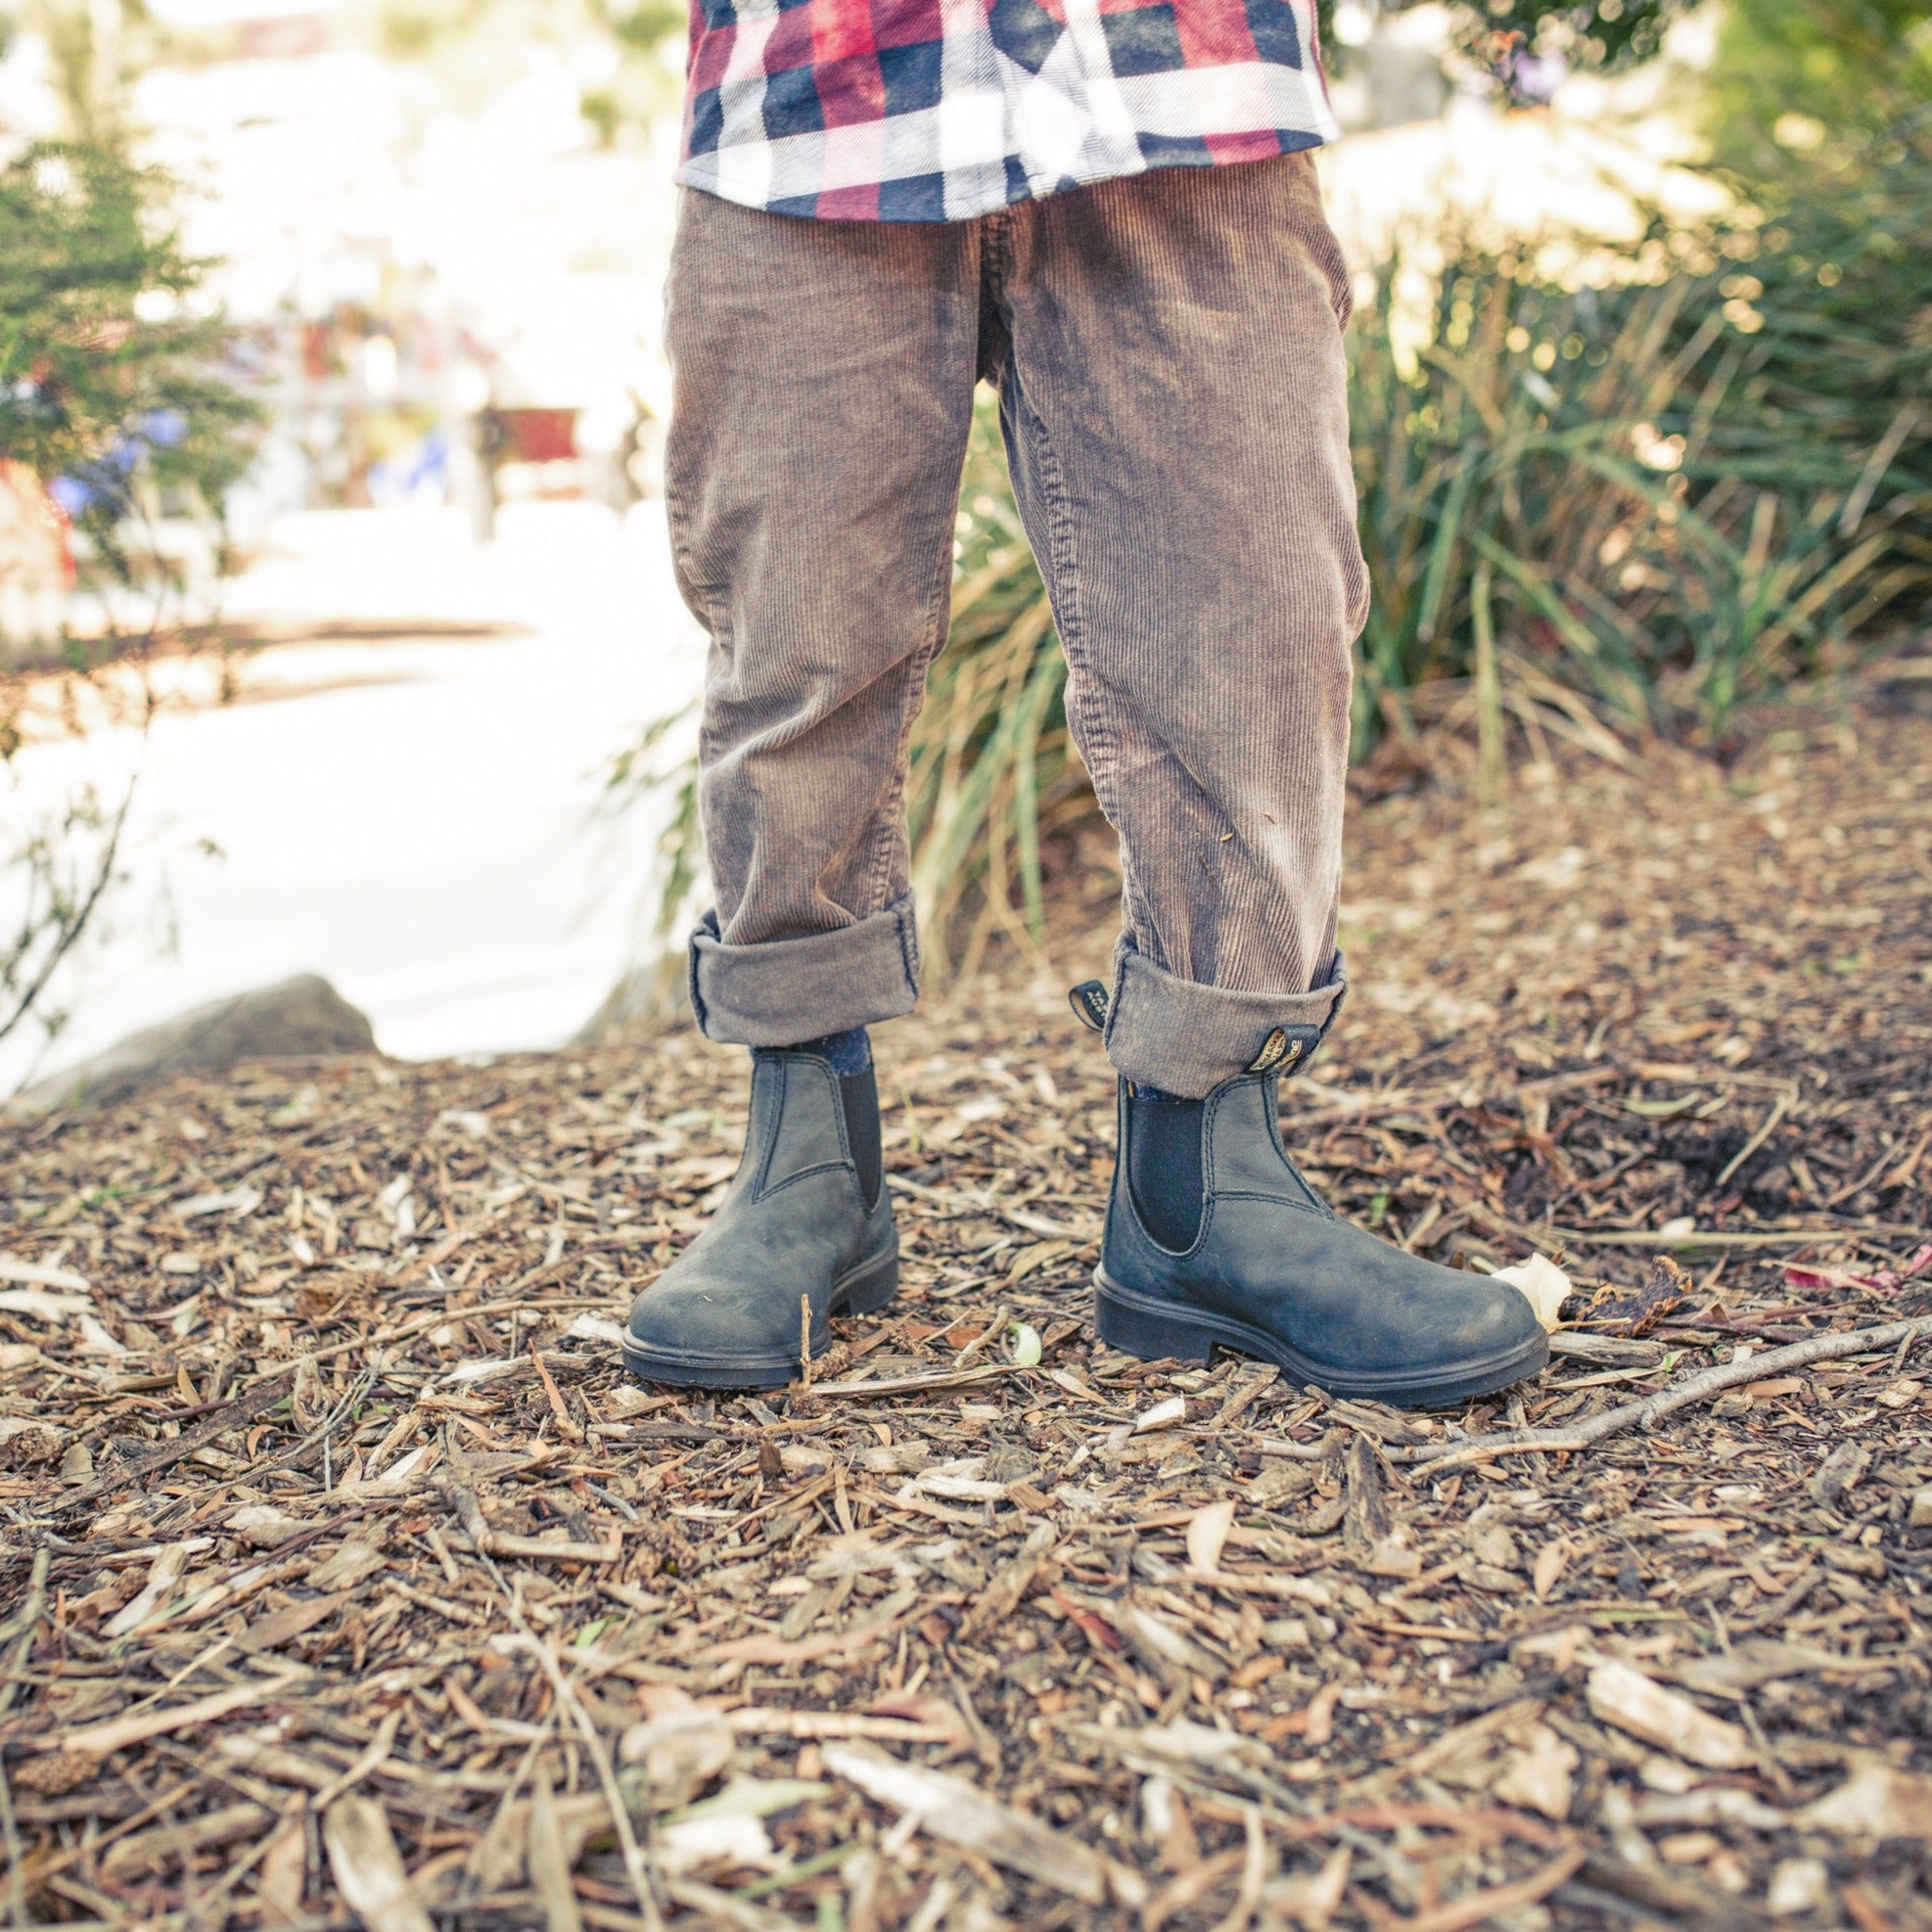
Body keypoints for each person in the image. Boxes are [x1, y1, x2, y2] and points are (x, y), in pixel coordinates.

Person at [621, 0, 1548, 1405]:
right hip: (808, 100)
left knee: (1248, 637)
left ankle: (1201, 1194)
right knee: (795, 647)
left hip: (1180, 77)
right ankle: (805, 1164)